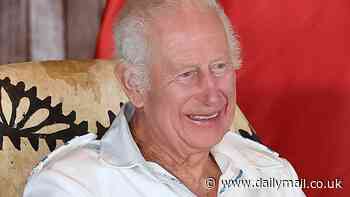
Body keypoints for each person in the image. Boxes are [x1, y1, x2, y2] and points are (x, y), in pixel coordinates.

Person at [23, 0, 306, 196]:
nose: (212, 94)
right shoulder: (72, 186)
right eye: (186, 74)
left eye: (219, 67)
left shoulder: (270, 172)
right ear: (134, 84)